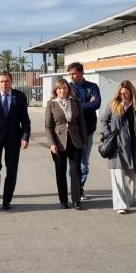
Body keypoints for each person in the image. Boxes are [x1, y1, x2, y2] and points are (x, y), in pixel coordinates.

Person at [0, 70, 31, 210]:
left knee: (12, 170)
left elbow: (25, 120)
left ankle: (7, 199)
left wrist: (25, 137)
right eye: (2, 81)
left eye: (7, 81)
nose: (4, 84)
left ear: (11, 82)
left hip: (14, 139)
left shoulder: (20, 96)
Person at [99, 80, 136, 214]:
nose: (124, 96)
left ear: (132, 93)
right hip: (118, 145)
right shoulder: (113, 104)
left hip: (134, 145)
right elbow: (103, 120)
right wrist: (108, 133)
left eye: (126, 93)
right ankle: (120, 205)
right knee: (117, 176)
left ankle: (127, 201)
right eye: (121, 93)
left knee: (130, 177)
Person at [45, 78, 87, 210]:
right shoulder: (51, 104)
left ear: (68, 88)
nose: (62, 90)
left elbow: (82, 122)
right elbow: (48, 126)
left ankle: (76, 200)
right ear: (55, 91)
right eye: (59, 88)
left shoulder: (75, 102)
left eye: (64, 87)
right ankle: (63, 200)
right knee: (60, 171)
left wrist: (84, 140)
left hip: (75, 140)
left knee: (76, 171)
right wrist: (51, 144)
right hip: (58, 142)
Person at [67, 62, 101, 200]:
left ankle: (80, 187)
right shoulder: (68, 88)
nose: (72, 76)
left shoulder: (92, 87)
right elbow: (68, 106)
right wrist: (87, 104)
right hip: (72, 131)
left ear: (81, 72)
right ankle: (74, 189)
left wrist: (78, 105)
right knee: (73, 162)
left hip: (88, 130)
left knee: (84, 164)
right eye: (70, 74)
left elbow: (96, 104)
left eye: (74, 73)